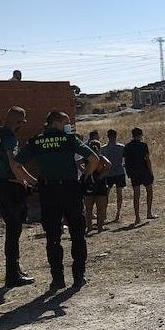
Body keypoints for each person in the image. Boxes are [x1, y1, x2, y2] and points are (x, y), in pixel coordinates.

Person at [16, 110, 104, 291]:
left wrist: (33, 182)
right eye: (65, 122)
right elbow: (94, 159)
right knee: (77, 234)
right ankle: (78, 276)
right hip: (71, 190)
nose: (68, 125)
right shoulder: (69, 139)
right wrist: (85, 177)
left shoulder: (37, 141)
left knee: (53, 237)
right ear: (56, 122)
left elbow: (16, 164)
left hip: (48, 191)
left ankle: (57, 279)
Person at [0, 106, 37, 288]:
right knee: (14, 230)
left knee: (13, 229)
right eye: (22, 123)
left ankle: (15, 269)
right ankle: (12, 275)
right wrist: (31, 181)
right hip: (11, 187)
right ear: (18, 122)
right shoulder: (10, 138)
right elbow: (14, 164)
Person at [123, 127, 156, 225]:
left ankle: (137, 216)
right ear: (141, 135)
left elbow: (125, 160)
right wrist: (151, 171)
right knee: (149, 191)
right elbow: (147, 159)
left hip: (133, 172)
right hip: (144, 171)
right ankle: (149, 212)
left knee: (136, 195)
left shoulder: (127, 146)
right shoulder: (143, 145)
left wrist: (128, 172)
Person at [82, 140, 112, 232]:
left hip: (89, 183)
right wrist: (102, 175)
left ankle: (89, 227)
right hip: (100, 183)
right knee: (100, 208)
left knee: (89, 208)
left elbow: (77, 163)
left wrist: (85, 172)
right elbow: (109, 164)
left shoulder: (87, 158)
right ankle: (100, 227)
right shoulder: (101, 157)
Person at [101, 129, 127, 221]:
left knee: (106, 194)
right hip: (119, 172)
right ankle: (118, 213)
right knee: (119, 193)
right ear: (116, 136)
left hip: (108, 173)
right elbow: (125, 159)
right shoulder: (121, 147)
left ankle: (104, 214)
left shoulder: (103, 148)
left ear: (108, 136)